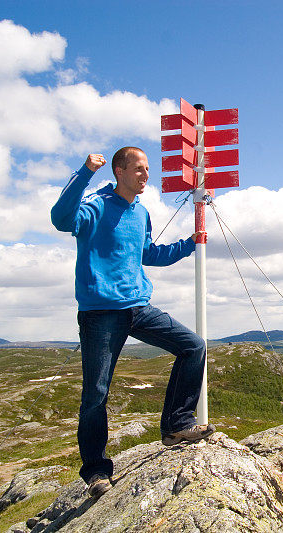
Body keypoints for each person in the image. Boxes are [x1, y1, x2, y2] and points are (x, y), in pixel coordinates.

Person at [51, 147, 215, 498]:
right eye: (138, 169)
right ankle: (96, 471)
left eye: (147, 169)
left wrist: (190, 244)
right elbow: (61, 220)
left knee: (193, 346)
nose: (145, 175)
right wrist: (83, 173)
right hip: (100, 313)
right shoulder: (95, 205)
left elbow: (148, 254)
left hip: (138, 306)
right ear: (119, 171)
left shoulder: (140, 212)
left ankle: (176, 426)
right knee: (96, 393)